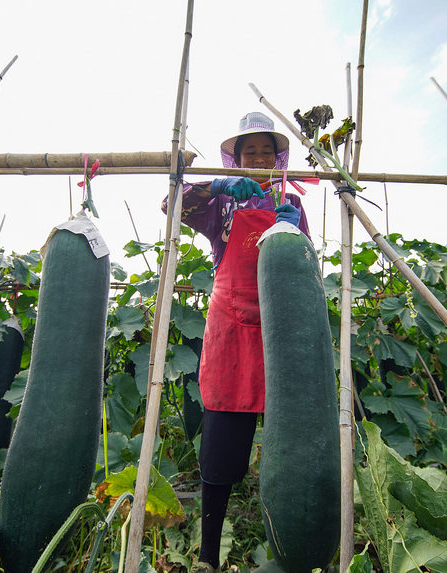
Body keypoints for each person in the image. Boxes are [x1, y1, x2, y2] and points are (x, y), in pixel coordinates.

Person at [162, 112, 310, 573]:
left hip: (280, 327)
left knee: (292, 442)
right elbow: (174, 204)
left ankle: (291, 545)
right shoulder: (222, 203)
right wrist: (218, 186)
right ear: (237, 158)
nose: (260, 159)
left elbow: (305, 264)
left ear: (277, 157)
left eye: (267, 152)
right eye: (251, 153)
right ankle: (208, 554)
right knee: (223, 441)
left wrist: (295, 230)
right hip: (230, 325)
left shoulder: (292, 201)